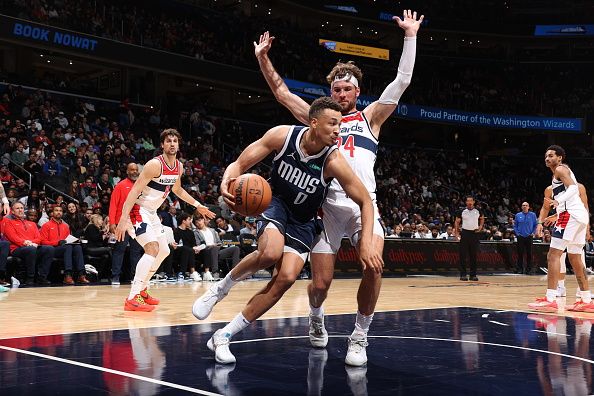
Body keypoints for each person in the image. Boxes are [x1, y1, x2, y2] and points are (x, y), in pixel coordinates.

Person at [252, 10, 422, 366]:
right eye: (336, 89)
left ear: (357, 92)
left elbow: (402, 80)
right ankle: (317, 317)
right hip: (326, 209)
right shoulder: (319, 120)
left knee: (374, 266)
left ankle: (359, 336)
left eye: (347, 89)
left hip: (363, 206)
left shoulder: (371, 117)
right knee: (321, 285)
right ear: (330, 93)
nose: (342, 93)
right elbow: (283, 94)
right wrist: (263, 58)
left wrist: (410, 36)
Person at [192, 97, 383, 364]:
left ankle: (223, 335)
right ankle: (219, 289)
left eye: (340, 124)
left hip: (304, 221)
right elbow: (240, 163)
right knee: (270, 252)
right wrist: (226, 180)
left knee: (286, 278)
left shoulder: (334, 161)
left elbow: (365, 200)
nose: (339, 130)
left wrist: (364, 244)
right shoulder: (283, 136)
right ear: (314, 123)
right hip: (276, 204)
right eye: (333, 124)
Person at [115, 129, 215, 311]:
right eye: (168, 141)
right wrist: (122, 219)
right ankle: (132, 297)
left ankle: (143, 290)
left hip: (152, 212)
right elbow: (134, 191)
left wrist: (197, 204)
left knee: (164, 251)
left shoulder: (179, 166)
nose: (172, 144)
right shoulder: (154, 165)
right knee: (152, 248)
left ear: (178, 144)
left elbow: (177, 190)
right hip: (138, 210)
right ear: (162, 145)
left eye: (175, 141)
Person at [529, 145, 594, 312]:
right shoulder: (558, 174)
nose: (547, 158)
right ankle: (586, 300)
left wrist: (558, 202)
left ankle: (550, 298)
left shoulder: (560, 169)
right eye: (546, 156)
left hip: (571, 216)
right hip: (578, 217)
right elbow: (571, 199)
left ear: (560, 157)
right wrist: (557, 213)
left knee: (553, 255)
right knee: (575, 258)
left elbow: (573, 188)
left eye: (551, 155)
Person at [4, 201, 55, 285]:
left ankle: (42, 277)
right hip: (17, 249)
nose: (20, 210)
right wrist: (26, 243)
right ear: (12, 211)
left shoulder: (32, 224)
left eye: (21, 208)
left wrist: (32, 243)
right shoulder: (9, 223)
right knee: (30, 249)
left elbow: (39, 238)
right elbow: (13, 238)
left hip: (32, 247)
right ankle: (30, 277)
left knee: (49, 249)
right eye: (17, 208)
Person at [109, 162, 143, 285]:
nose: (134, 172)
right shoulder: (120, 185)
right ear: (127, 171)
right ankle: (115, 277)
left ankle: (136, 277)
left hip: (136, 222)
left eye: (136, 170)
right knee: (119, 250)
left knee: (136, 251)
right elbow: (113, 204)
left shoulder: (141, 185)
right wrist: (112, 223)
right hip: (122, 222)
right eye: (132, 170)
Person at [40, 205, 89, 285]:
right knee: (68, 247)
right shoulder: (46, 225)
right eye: (56, 210)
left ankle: (81, 274)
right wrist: (57, 242)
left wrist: (74, 241)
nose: (59, 212)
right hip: (53, 249)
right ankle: (68, 275)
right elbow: (42, 241)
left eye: (60, 211)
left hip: (65, 248)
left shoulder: (66, 226)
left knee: (77, 247)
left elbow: (68, 239)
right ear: (52, 213)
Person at [193, 215, 241, 280]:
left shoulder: (212, 230)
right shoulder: (196, 232)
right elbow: (198, 245)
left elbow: (219, 242)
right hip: (206, 251)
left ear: (203, 220)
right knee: (214, 248)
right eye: (196, 222)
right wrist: (210, 246)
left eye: (199, 220)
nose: (198, 223)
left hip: (217, 250)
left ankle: (235, 273)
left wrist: (217, 244)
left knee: (236, 248)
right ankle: (215, 272)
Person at [454, 196, 484, 281]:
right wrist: (456, 234)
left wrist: (480, 227)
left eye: (471, 201)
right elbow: (457, 222)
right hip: (465, 233)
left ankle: (473, 275)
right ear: (466, 202)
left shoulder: (478, 211)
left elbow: (482, 218)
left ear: (474, 202)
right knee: (463, 255)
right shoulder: (462, 211)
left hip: (474, 234)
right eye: (468, 201)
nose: (470, 202)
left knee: (473, 255)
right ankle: (463, 274)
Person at [513, 202, 538, 274]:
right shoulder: (518, 215)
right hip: (520, 237)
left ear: (528, 207)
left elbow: (535, 225)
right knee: (520, 254)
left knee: (529, 254)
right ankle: (520, 269)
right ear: (521, 207)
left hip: (529, 237)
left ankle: (528, 269)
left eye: (526, 205)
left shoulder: (533, 215)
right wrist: (517, 234)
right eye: (523, 205)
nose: (525, 206)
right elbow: (515, 226)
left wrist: (533, 233)